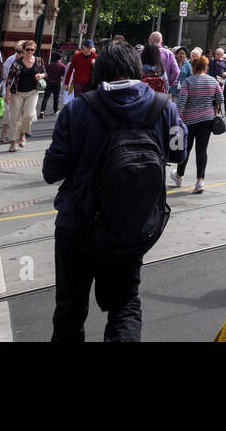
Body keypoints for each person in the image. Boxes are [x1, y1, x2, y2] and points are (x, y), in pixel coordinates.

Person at [43, 41, 187, 342]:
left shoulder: (78, 109)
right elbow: (178, 153)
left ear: (101, 71)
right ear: (136, 69)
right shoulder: (164, 107)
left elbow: (51, 171)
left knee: (69, 310)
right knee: (124, 306)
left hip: (78, 222)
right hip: (130, 225)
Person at [174, 55, 224, 193]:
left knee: (186, 149)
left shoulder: (188, 82)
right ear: (206, 67)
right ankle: (200, 181)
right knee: (202, 150)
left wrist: (176, 116)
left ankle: (179, 176)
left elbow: (182, 101)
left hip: (189, 120)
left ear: (194, 67)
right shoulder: (213, 81)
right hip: (207, 119)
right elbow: (220, 98)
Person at [5, 41, 45, 152]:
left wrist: (40, 75)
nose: (30, 52)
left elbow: (44, 73)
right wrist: (7, 94)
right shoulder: (17, 63)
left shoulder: (38, 61)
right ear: (23, 50)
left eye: (32, 50)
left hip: (32, 92)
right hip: (17, 93)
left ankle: (22, 133)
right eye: (27, 50)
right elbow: (9, 79)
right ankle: (13, 142)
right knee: (15, 118)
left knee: (29, 115)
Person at [63, 40, 97, 104]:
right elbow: (70, 70)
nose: (89, 49)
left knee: (87, 101)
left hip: (89, 83)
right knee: (79, 100)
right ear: (83, 47)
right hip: (77, 82)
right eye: (87, 47)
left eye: (90, 48)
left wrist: (95, 65)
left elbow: (99, 70)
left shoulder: (95, 56)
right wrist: (66, 83)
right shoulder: (76, 56)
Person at [40, 51, 67, 117]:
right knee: (56, 97)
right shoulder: (63, 66)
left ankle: (42, 111)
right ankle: (55, 110)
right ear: (60, 58)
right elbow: (64, 75)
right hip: (57, 83)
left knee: (46, 97)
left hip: (49, 82)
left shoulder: (50, 65)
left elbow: (46, 73)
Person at [208, 48, 226, 114]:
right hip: (212, 82)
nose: (218, 56)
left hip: (221, 82)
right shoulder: (211, 61)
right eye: (217, 54)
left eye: (220, 54)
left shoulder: (224, 62)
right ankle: (213, 112)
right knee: (213, 99)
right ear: (215, 54)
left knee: (219, 98)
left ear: (222, 55)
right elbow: (210, 72)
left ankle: (217, 112)